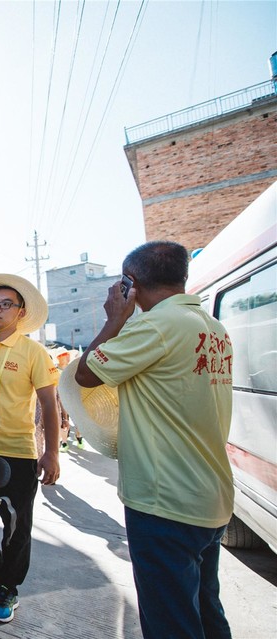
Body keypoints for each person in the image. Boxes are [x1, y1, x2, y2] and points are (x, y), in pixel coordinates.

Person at [75, 241, 235, 639]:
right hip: (209, 494)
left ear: (130, 283)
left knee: (171, 623)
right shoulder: (212, 327)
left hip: (165, 502)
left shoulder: (155, 326)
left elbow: (86, 374)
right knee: (205, 609)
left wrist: (114, 319)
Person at [0, 274, 60, 623]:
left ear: (20, 312)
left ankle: (7, 587)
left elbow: (49, 405)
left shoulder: (34, 352)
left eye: (6, 304)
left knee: (16, 526)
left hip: (17, 451)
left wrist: (51, 452)